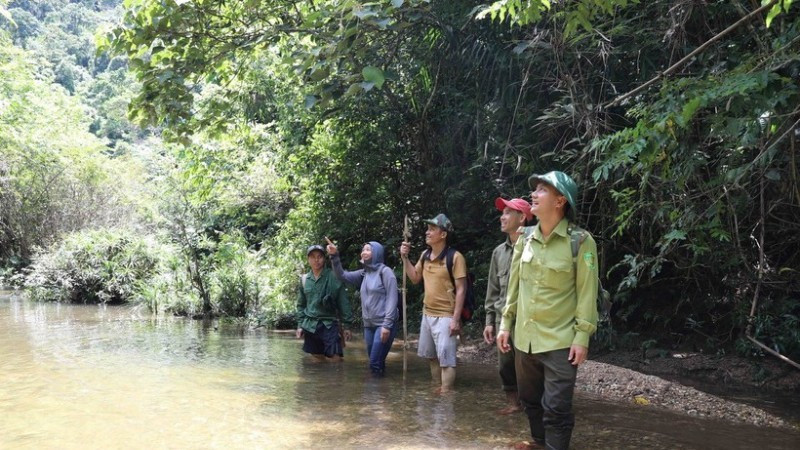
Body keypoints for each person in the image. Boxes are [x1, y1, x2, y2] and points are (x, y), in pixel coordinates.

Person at [496, 171, 599, 450]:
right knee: (530, 401)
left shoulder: (581, 241)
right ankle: (539, 443)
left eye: (542, 190)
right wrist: (505, 324)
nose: (534, 194)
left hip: (561, 341)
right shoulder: (524, 238)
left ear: (560, 201)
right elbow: (514, 288)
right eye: (535, 190)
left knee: (556, 408)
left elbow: (587, 293)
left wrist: (582, 337)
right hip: (525, 338)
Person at [400, 213, 467, 393]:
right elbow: (414, 277)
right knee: (432, 357)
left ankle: (446, 396)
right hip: (427, 314)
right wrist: (405, 258)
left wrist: (455, 319)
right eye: (427, 229)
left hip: (446, 315)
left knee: (447, 360)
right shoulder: (425, 255)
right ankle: (437, 390)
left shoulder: (455, 257)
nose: (427, 233)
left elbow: (461, 289)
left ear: (443, 234)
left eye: (432, 229)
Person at [484, 197, 532, 415]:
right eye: (501, 213)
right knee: (505, 365)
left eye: (507, 213)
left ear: (522, 218)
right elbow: (493, 290)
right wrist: (489, 322)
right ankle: (513, 404)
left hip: (528, 320)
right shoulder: (498, 253)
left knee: (528, 366)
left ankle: (533, 407)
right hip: (503, 318)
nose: (502, 217)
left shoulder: (535, 246)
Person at [326, 237, 399, 376]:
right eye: (363, 250)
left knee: (374, 363)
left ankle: (372, 395)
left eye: (368, 250)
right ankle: (382, 394)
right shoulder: (364, 273)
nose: (363, 252)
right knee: (377, 361)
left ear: (376, 253)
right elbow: (342, 276)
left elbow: (392, 298)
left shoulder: (386, 272)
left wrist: (387, 325)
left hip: (383, 324)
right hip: (369, 325)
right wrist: (334, 256)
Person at [296, 244, 354, 362]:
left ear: (324, 258)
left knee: (336, 359)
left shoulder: (333, 277)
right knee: (317, 360)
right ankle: (322, 381)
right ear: (308, 259)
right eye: (313, 257)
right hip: (310, 325)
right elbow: (301, 305)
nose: (316, 260)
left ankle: (336, 380)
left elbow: (343, 302)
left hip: (329, 324)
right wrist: (300, 325)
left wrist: (347, 326)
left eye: (319, 257)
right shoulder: (304, 279)